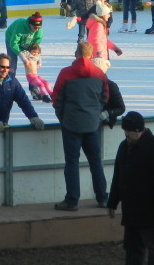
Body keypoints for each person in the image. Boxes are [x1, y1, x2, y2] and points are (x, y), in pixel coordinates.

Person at [106, 111, 154, 265]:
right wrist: (112, 202)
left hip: (150, 213)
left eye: (128, 131)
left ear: (138, 130)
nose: (126, 134)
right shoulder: (124, 146)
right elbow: (118, 175)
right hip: (132, 211)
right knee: (132, 249)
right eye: (125, 131)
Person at [51, 41, 109, 211]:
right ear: (91, 55)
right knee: (96, 162)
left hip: (71, 124)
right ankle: (102, 197)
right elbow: (105, 98)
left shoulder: (65, 74)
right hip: (92, 124)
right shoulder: (99, 74)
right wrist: (95, 115)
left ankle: (72, 200)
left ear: (76, 54)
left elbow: (57, 99)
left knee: (72, 163)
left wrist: (63, 117)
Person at [0, 52, 45, 131]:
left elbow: (24, 101)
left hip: (2, 126)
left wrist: (33, 116)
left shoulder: (12, 82)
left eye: (7, 67)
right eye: (2, 67)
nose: (5, 70)